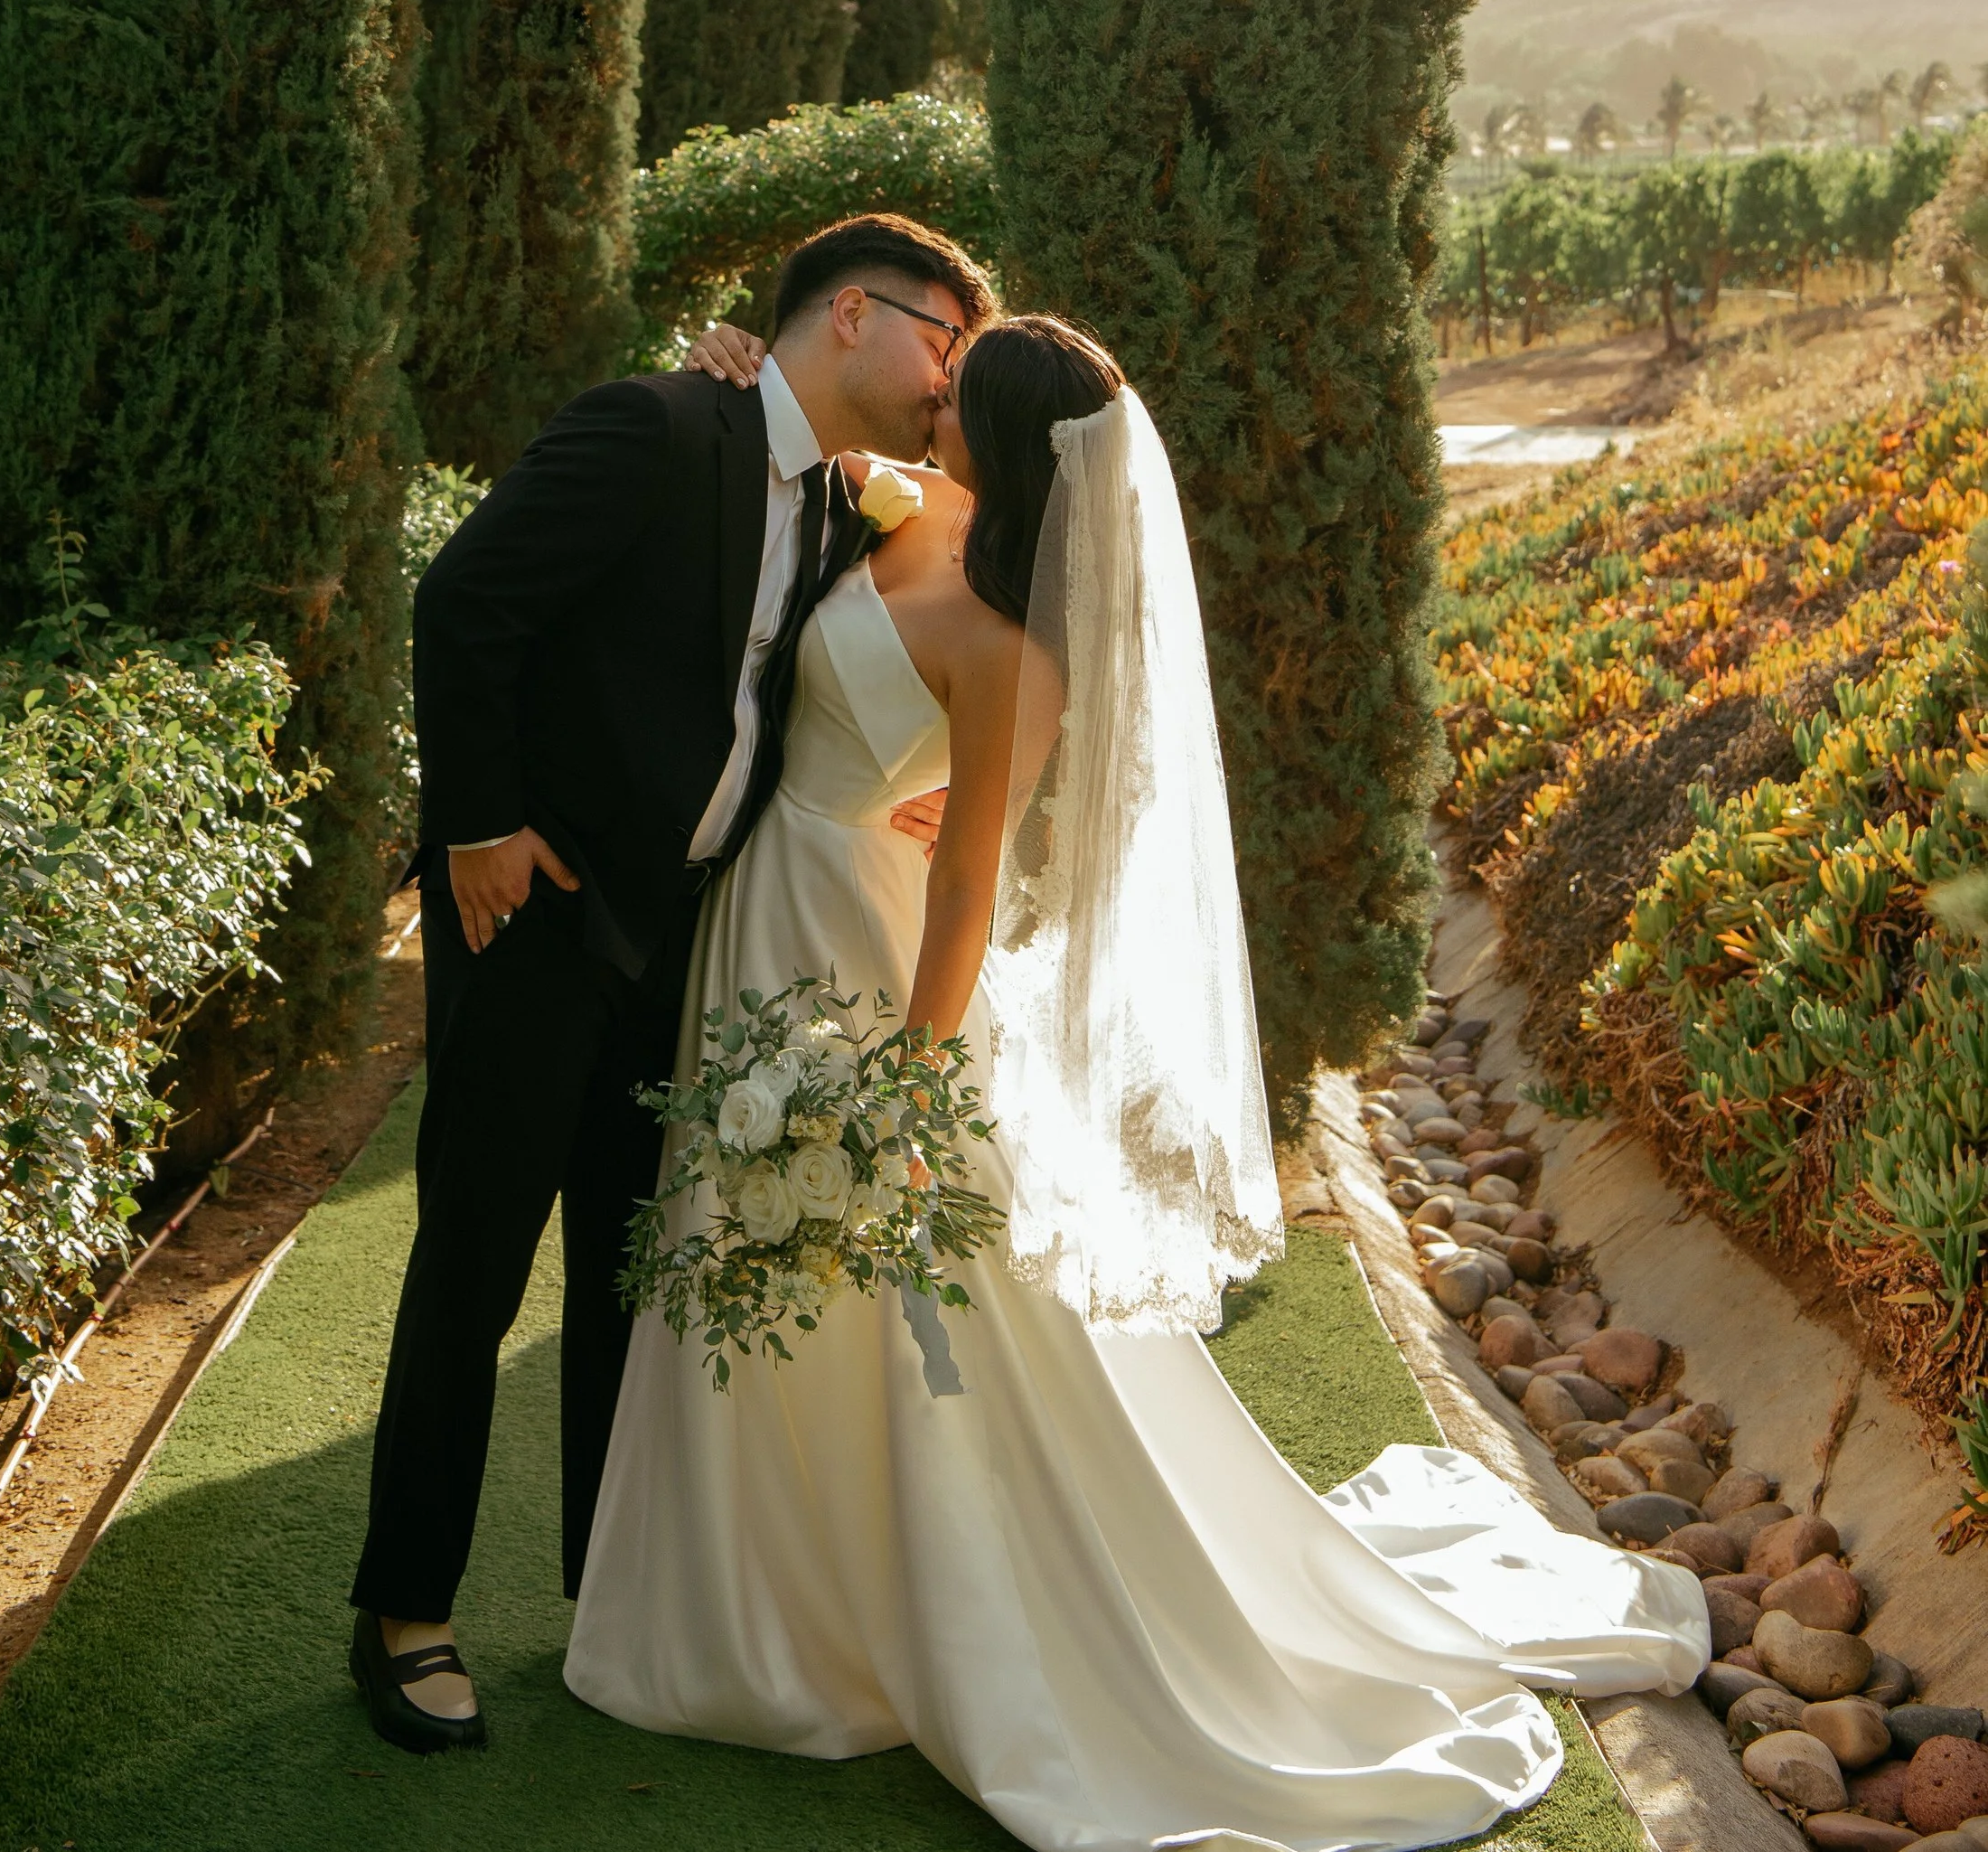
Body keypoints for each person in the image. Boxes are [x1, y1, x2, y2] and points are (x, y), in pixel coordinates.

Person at [565, 314, 1709, 1852]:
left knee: (888, 1292)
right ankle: (753, 1604)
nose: (930, 392)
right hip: (765, 918)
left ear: (1016, 443)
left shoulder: (1016, 649)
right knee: (758, 1250)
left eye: (957, 392)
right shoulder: (891, 500)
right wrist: (724, 367)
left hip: (868, 965)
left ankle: (859, 1629)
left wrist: (911, 1077)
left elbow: (971, 885)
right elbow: (766, 485)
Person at [345, 212, 996, 1755]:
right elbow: (464, 600)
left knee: (631, 1284)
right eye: (941, 343)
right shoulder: (650, 425)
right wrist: (482, 825)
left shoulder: (845, 504)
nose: (944, 380)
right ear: (850, 314)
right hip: (537, 929)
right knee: (474, 1261)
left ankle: (610, 1585)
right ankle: (403, 1614)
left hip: (686, 948)